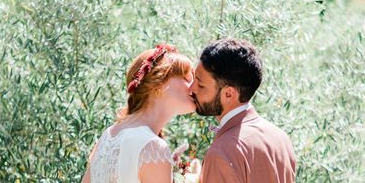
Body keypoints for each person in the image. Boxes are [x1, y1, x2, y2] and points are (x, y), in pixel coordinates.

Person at [81, 43, 196, 183]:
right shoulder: (153, 148)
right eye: (187, 79)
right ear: (158, 83)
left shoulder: (108, 136)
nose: (194, 87)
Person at [190, 38, 296, 183]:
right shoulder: (280, 138)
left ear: (229, 94)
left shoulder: (222, 152)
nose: (191, 89)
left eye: (200, 85)